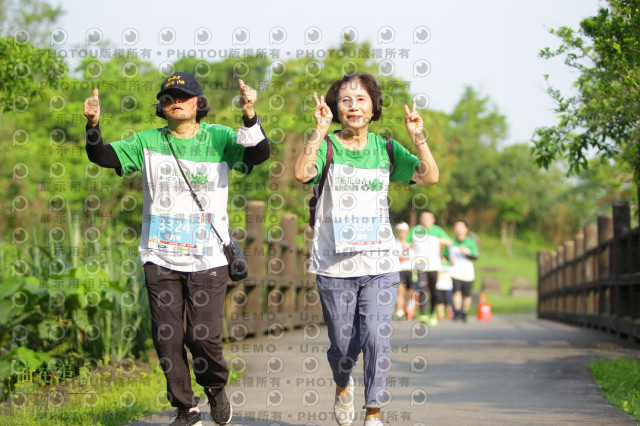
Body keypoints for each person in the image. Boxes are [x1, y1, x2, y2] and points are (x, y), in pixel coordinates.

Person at [83, 72, 269, 426]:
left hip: (208, 257)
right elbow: (102, 156)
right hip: (159, 256)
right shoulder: (148, 141)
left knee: (202, 336)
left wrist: (249, 114)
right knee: (167, 338)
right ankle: (186, 407)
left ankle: (214, 387)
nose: (175, 102)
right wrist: (93, 124)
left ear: (199, 103)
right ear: (162, 108)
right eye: (168, 98)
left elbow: (258, 154)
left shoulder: (219, 137)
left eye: (183, 96)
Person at [293, 73, 439, 426]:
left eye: (361, 100)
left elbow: (429, 175)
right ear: (334, 108)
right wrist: (317, 132)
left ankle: (373, 411)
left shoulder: (386, 149)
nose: (353, 106)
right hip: (333, 265)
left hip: (380, 264)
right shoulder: (327, 146)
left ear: (374, 107)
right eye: (345, 100)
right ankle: (343, 386)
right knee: (343, 345)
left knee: (376, 334)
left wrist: (418, 138)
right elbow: (301, 173)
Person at [407, 210, 452, 325]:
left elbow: (450, 242)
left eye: (428, 218)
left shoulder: (438, 231)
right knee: (422, 289)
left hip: (434, 265)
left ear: (433, 220)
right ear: (420, 219)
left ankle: (432, 313)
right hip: (420, 265)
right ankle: (423, 314)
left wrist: (443, 241)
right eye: (424, 218)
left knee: (434, 290)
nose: (426, 220)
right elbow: (406, 243)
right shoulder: (415, 230)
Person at [445, 219, 479, 322]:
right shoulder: (451, 241)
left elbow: (475, 257)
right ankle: (457, 311)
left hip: (468, 273)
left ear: (466, 229)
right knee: (456, 291)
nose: (458, 229)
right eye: (456, 226)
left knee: (467, 294)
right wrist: (448, 259)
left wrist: (466, 254)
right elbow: (445, 254)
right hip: (455, 271)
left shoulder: (470, 242)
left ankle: (464, 312)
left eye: (461, 227)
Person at [394, 222, 413, 320]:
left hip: (410, 269)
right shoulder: (394, 242)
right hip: (399, 269)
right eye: (400, 232)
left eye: (404, 232)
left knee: (410, 292)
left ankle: (410, 308)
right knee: (400, 290)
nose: (402, 234)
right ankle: (400, 311)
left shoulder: (411, 242)